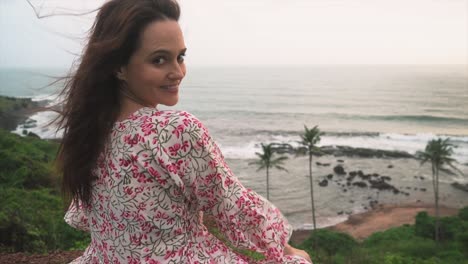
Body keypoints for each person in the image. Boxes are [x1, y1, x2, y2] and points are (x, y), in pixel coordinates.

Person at [58, 0, 312, 263]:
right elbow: (230, 203)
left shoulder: (91, 132)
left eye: (180, 57)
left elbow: (90, 215)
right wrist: (287, 249)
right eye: (159, 60)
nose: (177, 72)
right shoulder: (173, 130)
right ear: (118, 67)